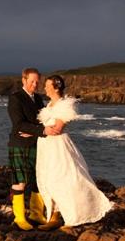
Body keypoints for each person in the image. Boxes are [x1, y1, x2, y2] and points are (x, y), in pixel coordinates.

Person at [34, 75, 114, 228]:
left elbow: (57, 129)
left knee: (64, 178)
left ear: (56, 87)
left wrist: (39, 130)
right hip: (46, 146)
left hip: (58, 146)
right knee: (49, 179)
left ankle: (76, 215)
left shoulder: (65, 105)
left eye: (47, 85)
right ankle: (55, 216)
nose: (44, 88)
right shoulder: (50, 104)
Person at [5, 67, 64, 230]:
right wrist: (42, 131)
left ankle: (36, 214)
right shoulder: (16, 98)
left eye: (37, 82)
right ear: (24, 80)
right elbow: (18, 124)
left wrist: (37, 132)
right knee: (20, 182)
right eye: (32, 81)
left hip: (37, 144)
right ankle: (19, 218)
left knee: (38, 180)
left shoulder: (38, 99)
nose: (35, 84)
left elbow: (40, 121)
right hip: (20, 144)